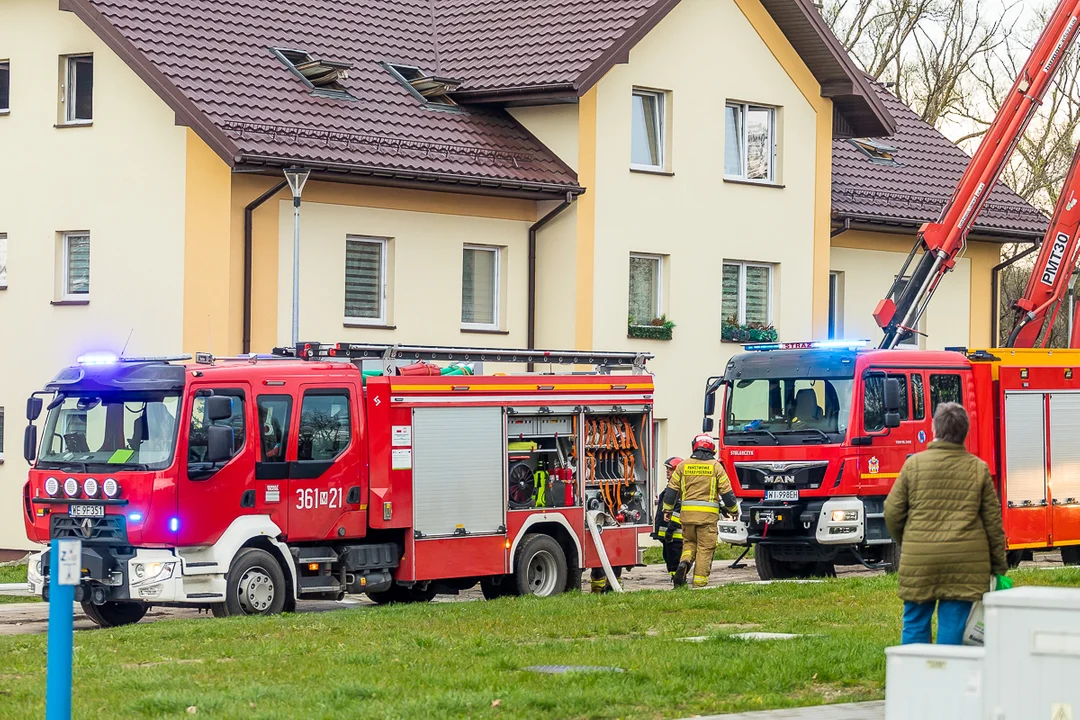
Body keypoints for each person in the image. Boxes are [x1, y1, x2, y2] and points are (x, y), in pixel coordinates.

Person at [885, 402, 1007, 645]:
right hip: (963, 563)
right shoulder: (978, 469)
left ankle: (914, 674)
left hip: (921, 560)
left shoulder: (913, 465)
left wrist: (909, 541)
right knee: (953, 625)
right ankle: (947, 675)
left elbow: (892, 511)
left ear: (934, 429)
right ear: (965, 432)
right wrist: (998, 567)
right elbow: (993, 524)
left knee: (915, 621)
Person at [663, 435, 738, 588]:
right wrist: (734, 511)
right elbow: (727, 493)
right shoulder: (716, 467)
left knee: (689, 544)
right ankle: (699, 585)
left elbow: (671, 490)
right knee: (705, 548)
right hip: (707, 519)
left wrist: (667, 510)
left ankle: (684, 563)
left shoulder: (683, 466)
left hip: (687, 517)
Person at [651, 457, 685, 583]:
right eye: (667, 469)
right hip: (667, 533)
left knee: (675, 558)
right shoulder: (670, 488)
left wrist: (670, 529)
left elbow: (678, 511)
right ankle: (675, 578)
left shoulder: (679, 489)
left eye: (670, 469)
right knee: (668, 557)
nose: (667, 471)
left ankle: (679, 580)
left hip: (675, 534)